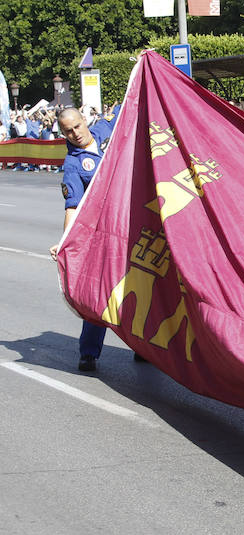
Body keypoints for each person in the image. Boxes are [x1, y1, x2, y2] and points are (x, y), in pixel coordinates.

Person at [49, 104, 122, 372]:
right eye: (68, 131)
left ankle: (143, 348)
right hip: (103, 233)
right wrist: (65, 241)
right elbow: (72, 206)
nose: (75, 134)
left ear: (85, 120)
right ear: (63, 133)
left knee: (140, 284)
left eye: (78, 126)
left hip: (130, 221)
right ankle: (89, 352)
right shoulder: (73, 164)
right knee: (99, 291)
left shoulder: (104, 128)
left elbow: (129, 101)